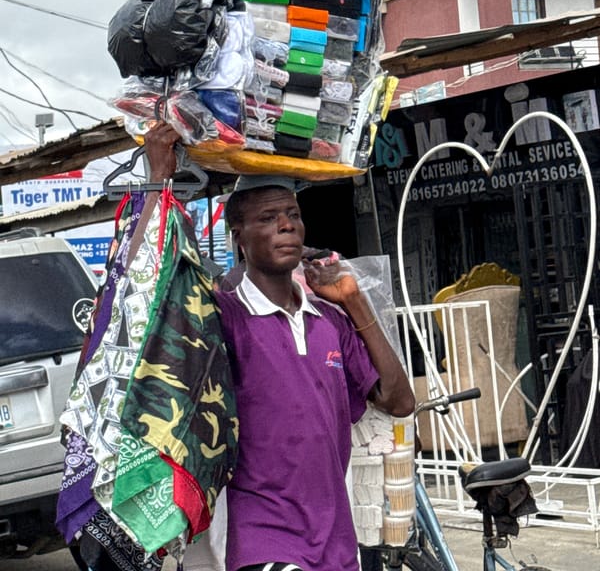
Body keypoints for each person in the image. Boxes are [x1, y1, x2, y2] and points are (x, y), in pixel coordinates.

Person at [144, 122, 415, 571]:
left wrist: (353, 299)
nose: (287, 225)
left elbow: (399, 401)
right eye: (268, 218)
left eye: (292, 214)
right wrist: (160, 179)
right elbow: (153, 289)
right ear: (239, 239)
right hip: (263, 540)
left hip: (336, 544)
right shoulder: (223, 317)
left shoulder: (329, 322)